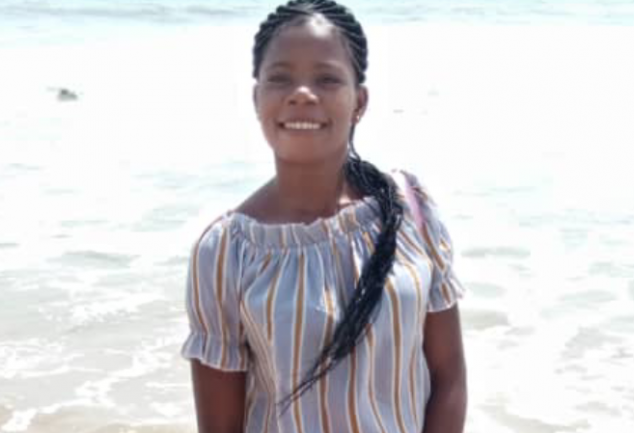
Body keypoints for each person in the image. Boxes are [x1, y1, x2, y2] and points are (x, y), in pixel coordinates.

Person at [181, 1, 467, 432]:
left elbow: (449, 379)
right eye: (280, 78)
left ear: (359, 102)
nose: (302, 93)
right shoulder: (227, 251)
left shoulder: (410, 208)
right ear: (257, 99)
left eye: (327, 78)